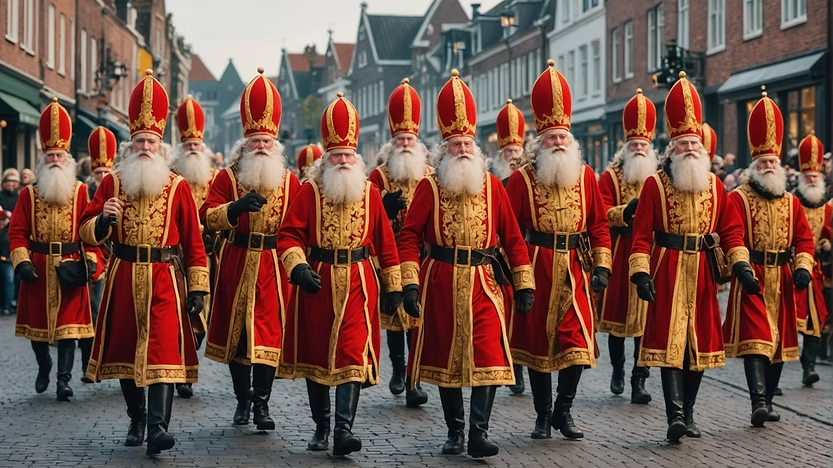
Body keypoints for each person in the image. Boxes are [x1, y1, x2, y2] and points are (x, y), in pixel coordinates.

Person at [398, 70, 535, 458]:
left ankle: (478, 432)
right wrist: (410, 283)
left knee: (488, 353)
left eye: (467, 143)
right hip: (440, 279)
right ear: (445, 147)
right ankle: (454, 431)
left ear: (476, 146)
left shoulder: (493, 186)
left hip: (484, 281)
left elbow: (511, 237)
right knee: (446, 357)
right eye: (455, 143)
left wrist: (524, 283)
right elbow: (409, 236)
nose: (462, 149)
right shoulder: (429, 187)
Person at [79, 70, 209, 456]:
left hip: (165, 277)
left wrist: (199, 286)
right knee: (124, 349)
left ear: (161, 145)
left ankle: (158, 428)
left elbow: (193, 241)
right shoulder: (111, 184)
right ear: (129, 146)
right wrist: (103, 221)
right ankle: (137, 417)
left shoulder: (177, 187)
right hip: (122, 274)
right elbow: (85, 229)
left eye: (152, 140)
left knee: (163, 350)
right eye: (139, 141)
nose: (146, 147)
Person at [629, 72, 754, 442]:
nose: (689, 149)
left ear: (702, 144)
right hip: (666, 268)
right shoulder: (654, 184)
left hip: (701, 274)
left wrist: (742, 265)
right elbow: (641, 235)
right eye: (682, 143)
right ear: (672, 146)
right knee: (671, 347)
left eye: (694, 142)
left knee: (697, 348)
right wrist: (640, 274)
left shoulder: (716, 186)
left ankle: (690, 411)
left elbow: (732, 231)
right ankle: (675, 415)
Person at [277, 92, 401, 456]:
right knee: (318, 358)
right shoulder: (310, 191)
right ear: (326, 159)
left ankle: (343, 430)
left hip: (360, 282)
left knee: (350, 356)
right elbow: (289, 234)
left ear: (357, 158)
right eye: (337, 156)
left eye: (348, 155)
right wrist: (297, 266)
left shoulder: (370, 193)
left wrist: (394, 286)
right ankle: (322, 424)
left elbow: (386, 242)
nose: (343, 161)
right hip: (319, 281)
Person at [506, 61, 611, 441]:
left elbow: (599, 223)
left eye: (564, 136)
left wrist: (602, 265)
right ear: (540, 140)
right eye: (552, 137)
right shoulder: (521, 180)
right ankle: (542, 413)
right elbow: (510, 229)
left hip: (575, 270)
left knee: (578, 343)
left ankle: (563, 411)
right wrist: (516, 275)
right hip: (538, 265)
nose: (559, 142)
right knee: (538, 346)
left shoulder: (585, 176)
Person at [201, 69, 300, 430]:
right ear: (245, 144)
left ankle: (263, 405)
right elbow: (207, 215)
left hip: (274, 265)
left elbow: (301, 226)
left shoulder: (291, 183)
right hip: (237, 259)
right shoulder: (227, 177)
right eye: (255, 141)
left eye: (266, 142)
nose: (261, 146)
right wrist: (234, 209)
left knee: (269, 335)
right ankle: (243, 400)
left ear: (276, 145)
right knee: (239, 336)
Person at [723, 90, 815, 428]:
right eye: (763, 162)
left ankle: (769, 397)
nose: (769, 166)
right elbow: (732, 235)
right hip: (754, 275)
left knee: (778, 345)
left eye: (773, 162)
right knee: (757, 340)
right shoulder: (738, 198)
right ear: (754, 165)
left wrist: (802, 268)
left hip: (783, 276)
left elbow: (804, 238)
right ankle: (758, 401)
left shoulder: (792, 202)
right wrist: (742, 268)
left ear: (779, 164)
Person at [9, 98, 104, 401]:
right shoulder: (28, 194)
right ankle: (44, 365)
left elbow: (89, 231)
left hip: (70, 266)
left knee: (68, 330)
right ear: (43, 157)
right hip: (37, 268)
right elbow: (17, 232)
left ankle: (64, 380)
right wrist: (21, 261)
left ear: (67, 158)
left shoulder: (80, 192)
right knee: (37, 331)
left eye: (59, 155)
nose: (54, 160)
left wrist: (90, 261)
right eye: (50, 155)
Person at [367, 78, 431, 407]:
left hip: (421, 257)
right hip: (389, 257)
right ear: (392, 143)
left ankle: (413, 379)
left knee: (417, 320)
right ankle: (397, 368)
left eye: (410, 139)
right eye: (400, 139)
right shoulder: (378, 176)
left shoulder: (432, 174)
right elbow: (362, 210)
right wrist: (382, 206)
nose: (405, 143)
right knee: (394, 319)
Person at [597, 89, 659, 404]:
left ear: (650, 148)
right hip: (622, 253)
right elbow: (601, 212)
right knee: (620, 323)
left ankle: (639, 379)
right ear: (626, 146)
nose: (638, 148)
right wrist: (627, 211)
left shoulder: (660, 176)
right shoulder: (611, 176)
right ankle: (619, 370)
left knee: (645, 323)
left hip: (650, 254)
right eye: (634, 144)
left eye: (643, 145)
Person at [172, 95, 218, 399]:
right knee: (175, 314)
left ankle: (188, 360)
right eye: (187, 145)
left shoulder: (215, 179)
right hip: (175, 258)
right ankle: (178, 369)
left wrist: (217, 232)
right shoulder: (169, 178)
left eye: (196, 145)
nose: (192, 148)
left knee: (202, 316)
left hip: (209, 257)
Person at [79, 127, 117, 384]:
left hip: (110, 259)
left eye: (106, 172)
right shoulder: (84, 192)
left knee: (103, 311)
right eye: (98, 173)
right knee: (86, 314)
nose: (102, 176)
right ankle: (87, 363)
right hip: (83, 257)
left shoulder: (116, 187)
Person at [495, 98, 528, 395]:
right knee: (503, 312)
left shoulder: (529, 176)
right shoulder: (493, 180)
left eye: (516, 151)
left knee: (521, 310)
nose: (513, 156)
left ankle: (517, 361)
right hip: (495, 255)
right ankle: (512, 364)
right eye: (507, 152)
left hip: (522, 252)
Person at [792, 132, 830, 387]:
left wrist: (829, 245)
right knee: (787, 319)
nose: (813, 180)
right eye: (809, 177)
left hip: (817, 271)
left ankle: (809, 367)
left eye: (816, 177)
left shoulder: (828, 207)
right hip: (791, 268)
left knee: (816, 321)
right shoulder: (791, 201)